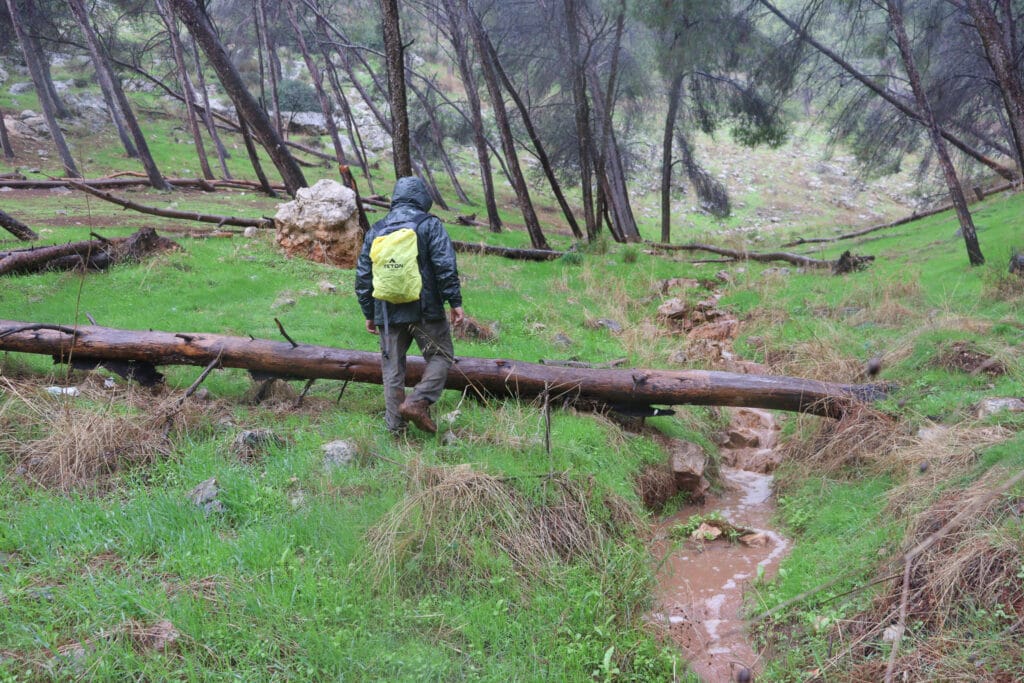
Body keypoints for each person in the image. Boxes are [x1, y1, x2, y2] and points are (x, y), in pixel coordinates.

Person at [355, 176, 464, 434]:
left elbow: (362, 276)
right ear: (422, 197)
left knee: (392, 370)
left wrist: (369, 312)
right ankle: (417, 401)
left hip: (386, 311)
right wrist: (454, 301)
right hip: (425, 310)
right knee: (441, 355)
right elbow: (444, 264)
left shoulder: (377, 229)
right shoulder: (429, 225)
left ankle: (395, 429)